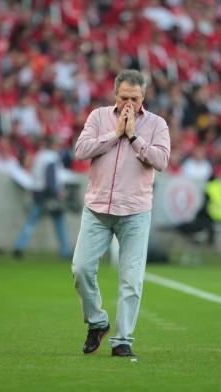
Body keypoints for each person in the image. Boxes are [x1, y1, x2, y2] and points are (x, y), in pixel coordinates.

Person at [71, 69, 170, 358]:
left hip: (135, 211)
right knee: (80, 269)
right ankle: (97, 321)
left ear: (144, 97)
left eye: (135, 98)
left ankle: (123, 340)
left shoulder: (156, 124)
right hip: (97, 208)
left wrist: (134, 137)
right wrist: (115, 134)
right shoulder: (98, 117)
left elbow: (162, 160)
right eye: (124, 97)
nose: (129, 103)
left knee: (131, 278)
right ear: (115, 94)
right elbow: (81, 150)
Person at [13, 136, 71, 259]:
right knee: (59, 222)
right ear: (53, 145)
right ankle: (65, 251)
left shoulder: (39, 155)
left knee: (31, 222)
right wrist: (57, 193)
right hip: (48, 194)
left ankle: (19, 246)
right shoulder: (52, 158)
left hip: (37, 192)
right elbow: (50, 179)